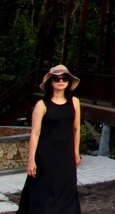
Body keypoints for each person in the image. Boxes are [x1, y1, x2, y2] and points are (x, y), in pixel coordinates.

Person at [18, 64, 83, 214]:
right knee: (43, 190)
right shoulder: (42, 105)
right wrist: (31, 160)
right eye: (56, 78)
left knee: (67, 189)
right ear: (51, 82)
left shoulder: (75, 102)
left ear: (68, 82)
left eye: (64, 78)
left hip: (66, 155)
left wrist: (76, 152)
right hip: (46, 156)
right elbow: (35, 134)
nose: (61, 81)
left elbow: (76, 129)